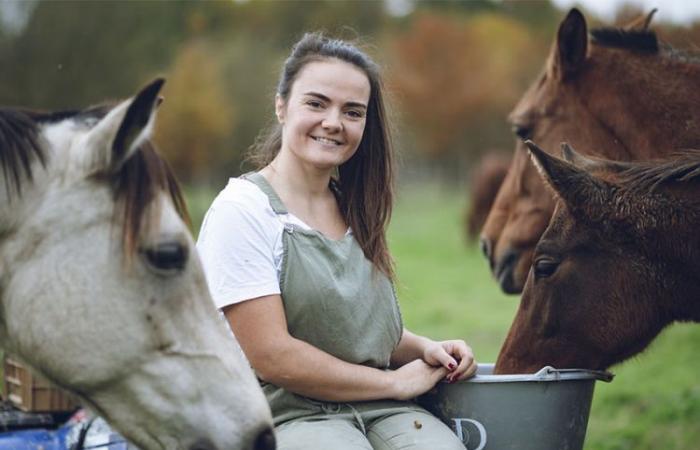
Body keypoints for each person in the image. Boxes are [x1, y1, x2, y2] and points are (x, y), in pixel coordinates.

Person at [197, 32, 477, 450]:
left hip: (378, 406)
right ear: (281, 105)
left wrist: (427, 348)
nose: (333, 122)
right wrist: (394, 382)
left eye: (352, 111)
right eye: (316, 103)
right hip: (279, 414)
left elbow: (353, 333)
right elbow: (273, 355)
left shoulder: (355, 206)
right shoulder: (242, 211)